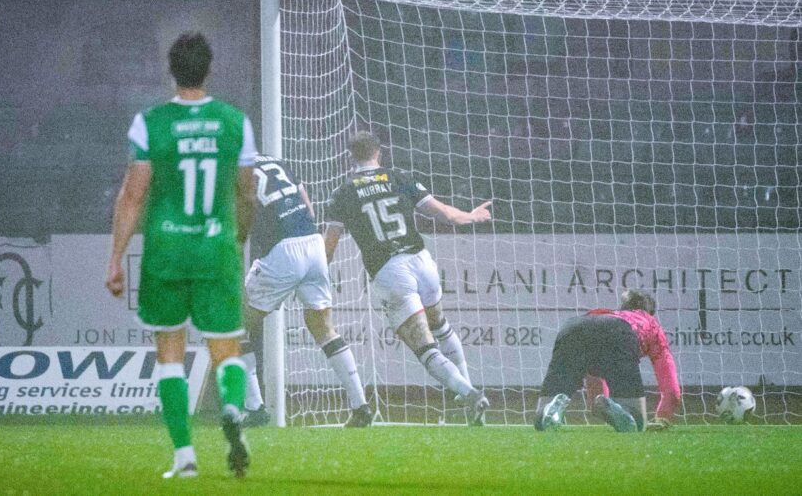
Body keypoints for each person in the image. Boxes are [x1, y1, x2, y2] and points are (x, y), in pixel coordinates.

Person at [105, 32, 256, 478]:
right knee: (226, 350)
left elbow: (133, 196)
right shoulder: (235, 121)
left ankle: (184, 458)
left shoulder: (149, 122)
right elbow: (247, 192)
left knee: (170, 354)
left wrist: (115, 258)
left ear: (171, 71)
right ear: (209, 70)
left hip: (167, 253)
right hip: (215, 248)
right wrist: (238, 238)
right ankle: (231, 406)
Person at [323, 131, 492, 425]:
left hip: (390, 271)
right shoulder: (399, 177)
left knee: (424, 346)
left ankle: (470, 394)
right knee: (440, 324)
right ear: (380, 153)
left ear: (351, 156)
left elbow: (329, 246)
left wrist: (314, 273)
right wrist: (472, 216)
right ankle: (469, 392)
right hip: (421, 261)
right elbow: (445, 215)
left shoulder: (344, 193)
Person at [241, 154, 371, 428]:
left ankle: (254, 409)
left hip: (282, 251)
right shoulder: (275, 161)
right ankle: (360, 406)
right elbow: (309, 210)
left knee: (233, 325)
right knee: (323, 327)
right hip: (313, 243)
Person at [534, 289, 682, 432]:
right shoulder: (651, 324)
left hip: (573, 327)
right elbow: (671, 387)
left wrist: (597, 403)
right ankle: (624, 411)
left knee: (543, 413)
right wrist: (663, 417)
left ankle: (550, 409)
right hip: (617, 332)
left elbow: (593, 374)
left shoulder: (611, 314)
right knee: (637, 423)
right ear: (650, 313)